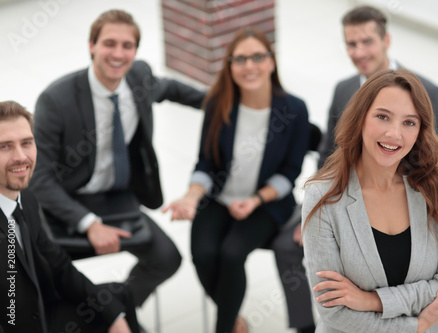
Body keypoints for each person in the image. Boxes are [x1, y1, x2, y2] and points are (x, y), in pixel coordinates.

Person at [29, 9, 205, 309]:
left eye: (128, 46)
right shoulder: (55, 100)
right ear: (92, 45)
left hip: (118, 196)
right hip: (66, 201)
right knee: (39, 273)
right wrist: (88, 224)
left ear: (135, 51)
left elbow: (173, 89)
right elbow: (39, 178)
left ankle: (114, 313)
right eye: (109, 43)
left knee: (167, 259)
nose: (118, 54)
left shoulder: (139, 77)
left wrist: (228, 100)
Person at [165, 27, 310, 333]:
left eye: (258, 56)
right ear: (230, 66)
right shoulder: (219, 104)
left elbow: (290, 173)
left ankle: (224, 328)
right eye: (240, 59)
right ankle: (234, 321)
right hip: (218, 197)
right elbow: (205, 162)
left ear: (271, 62)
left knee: (231, 254)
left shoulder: (294, 110)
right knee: (203, 254)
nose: (249, 66)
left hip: (267, 202)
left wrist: (256, 200)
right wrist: (191, 196)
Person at [302, 69, 438, 332]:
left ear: (420, 131)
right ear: (360, 119)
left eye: (409, 122)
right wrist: (415, 325)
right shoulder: (322, 198)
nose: (394, 134)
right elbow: (333, 311)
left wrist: (372, 300)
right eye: (383, 117)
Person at [0, 101, 140, 333]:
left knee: (117, 300)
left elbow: (58, 264)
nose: (21, 157)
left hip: (42, 312)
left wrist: (112, 317)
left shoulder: (27, 198)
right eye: (4, 147)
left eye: (26, 143)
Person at [319, 5, 438, 183]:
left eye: (367, 42)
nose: (359, 52)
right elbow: (328, 154)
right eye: (352, 44)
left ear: (386, 40)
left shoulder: (427, 92)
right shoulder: (343, 90)